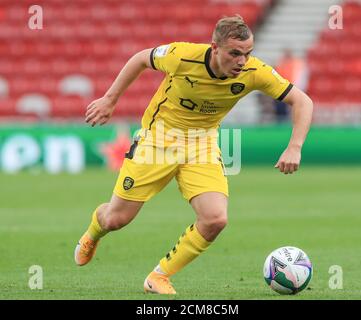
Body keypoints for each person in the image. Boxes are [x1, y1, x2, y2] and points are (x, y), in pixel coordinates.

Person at [74, 15, 314, 294]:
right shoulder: (182, 55)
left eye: (247, 54)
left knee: (215, 219)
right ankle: (94, 231)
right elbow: (140, 58)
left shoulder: (254, 71)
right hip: (158, 140)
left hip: (202, 145)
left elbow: (302, 101)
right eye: (234, 53)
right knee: (115, 219)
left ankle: (159, 276)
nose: (242, 61)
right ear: (215, 47)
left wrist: (294, 146)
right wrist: (110, 99)